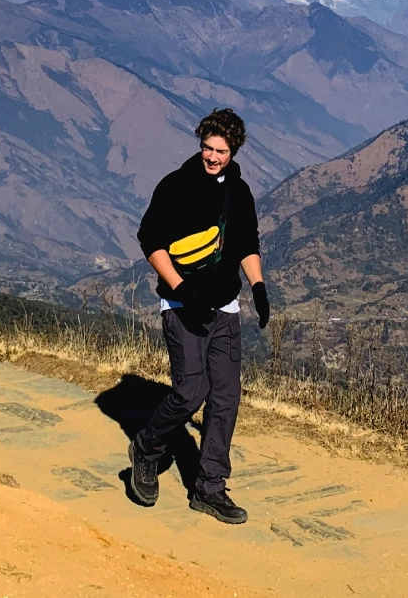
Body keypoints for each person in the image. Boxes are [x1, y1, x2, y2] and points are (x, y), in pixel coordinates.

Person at [128, 108, 270, 524]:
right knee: (191, 392)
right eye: (206, 147)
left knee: (225, 397)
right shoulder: (176, 186)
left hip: (225, 309)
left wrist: (258, 289)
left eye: (220, 151)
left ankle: (210, 489)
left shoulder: (239, 194)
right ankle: (147, 448)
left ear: (234, 150)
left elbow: (247, 243)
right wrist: (180, 287)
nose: (211, 156)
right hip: (182, 307)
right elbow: (150, 239)